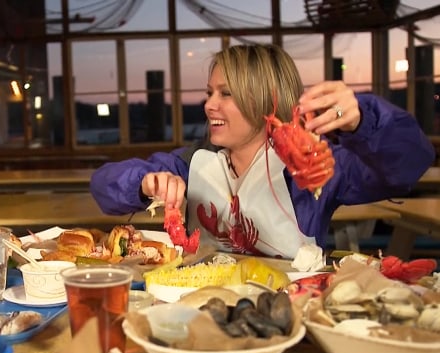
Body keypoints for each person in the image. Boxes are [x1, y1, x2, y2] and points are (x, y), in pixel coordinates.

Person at [90, 44, 434, 259]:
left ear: (264, 100)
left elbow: (408, 166)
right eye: (210, 92)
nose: (209, 105)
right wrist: (143, 183)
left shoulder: (312, 166)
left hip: (295, 317)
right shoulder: (189, 162)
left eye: (226, 94)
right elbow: (103, 186)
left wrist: (364, 121)